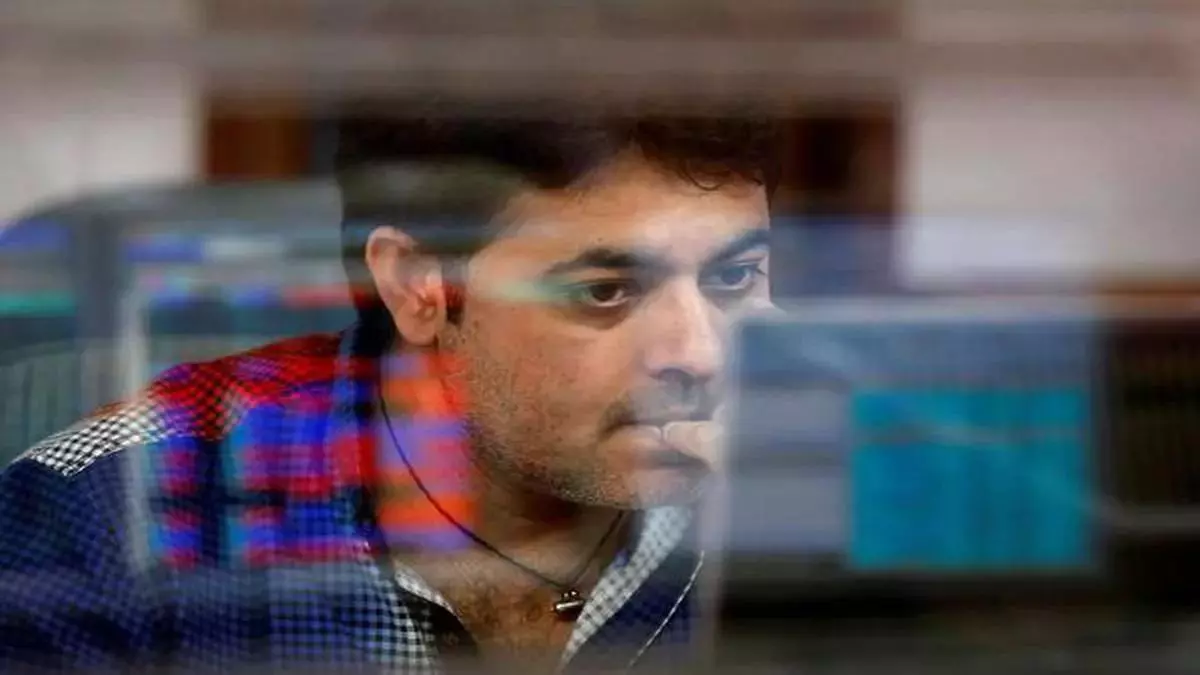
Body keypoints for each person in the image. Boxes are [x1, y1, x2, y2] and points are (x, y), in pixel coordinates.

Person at [0, 114, 778, 672]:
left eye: (734, 277)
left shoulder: (799, 495)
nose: (702, 354)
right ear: (417, 285)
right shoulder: (106, 509)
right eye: (606, 291)